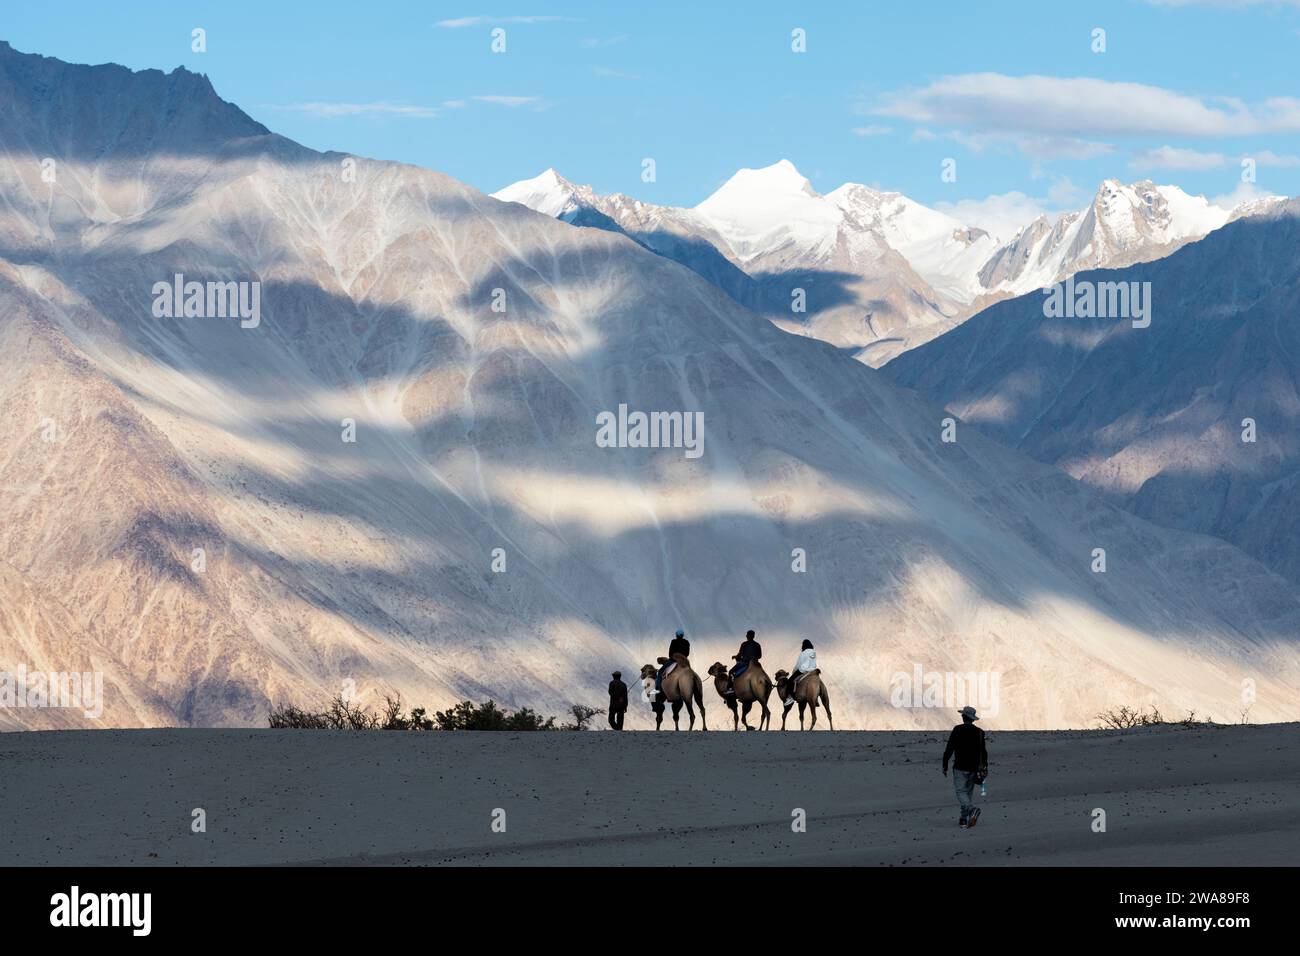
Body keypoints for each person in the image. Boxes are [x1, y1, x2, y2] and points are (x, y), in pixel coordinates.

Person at [942, 705, 989, 829]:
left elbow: (949, 748)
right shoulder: (979, 732)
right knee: (967, 794)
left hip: (960, 766)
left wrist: (945, 764)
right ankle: (963, 819)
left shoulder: (957, 730)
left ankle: (972, 810)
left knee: (961, 792)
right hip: (974, 768)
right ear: (973, 719)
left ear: (963, 717)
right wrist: (985, 766)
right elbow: (983, 752)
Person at [727, 629, 762, 695]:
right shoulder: (757, 645)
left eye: (747, 635)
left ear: (748, 636)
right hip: (755, 664)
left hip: (745, 663)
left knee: (731, 672)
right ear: (753, 636)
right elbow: (760, 656)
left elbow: (740, 654)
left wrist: (736, 656)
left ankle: (730, 689)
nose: (746, 636)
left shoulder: (744, 644)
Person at [784, 639, 816, 704]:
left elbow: (798, 664)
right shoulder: (813, 652)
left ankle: (790, 698)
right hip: (812, 670)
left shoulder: (803, 653)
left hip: (803, 670)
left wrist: (794, 671)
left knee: (790, 681)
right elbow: (813, 662)